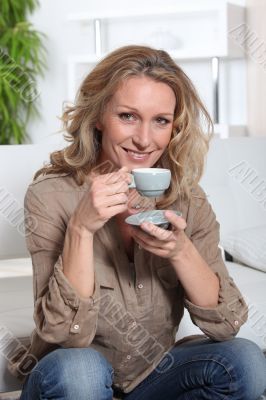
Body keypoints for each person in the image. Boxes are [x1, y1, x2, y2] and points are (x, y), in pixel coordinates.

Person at [9, 45, 265, 400]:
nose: (145, 139)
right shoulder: (50, 195)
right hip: (70, 380)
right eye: (128, 116)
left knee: (246, 361)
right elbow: (66, 335)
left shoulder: (187, 200)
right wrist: (81, 229)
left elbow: (225, 325)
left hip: (151, 379)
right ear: (99, 116)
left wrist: (180, 251)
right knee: (82, 371)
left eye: (160, 120)